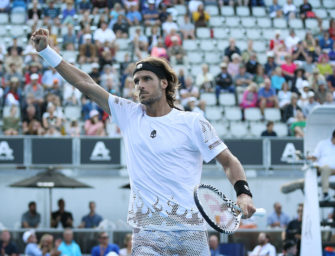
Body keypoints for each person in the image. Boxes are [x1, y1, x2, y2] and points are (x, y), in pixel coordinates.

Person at [31, 28, 255, 255]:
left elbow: (228, 161)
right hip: (147, 233)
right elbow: (85, 83)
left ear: (164, 83)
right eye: (136, 81)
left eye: (147, 79)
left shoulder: (193, 122)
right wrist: (46, 52)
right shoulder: (128, 114)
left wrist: (243, 194)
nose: (140, 85)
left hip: (191, 232)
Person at [308, 130, 335, 201]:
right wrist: (307, 157)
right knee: (326, 168)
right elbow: (315, 157)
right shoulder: (323, 144)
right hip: (324, 169)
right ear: (333, 137)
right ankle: (325, 194)